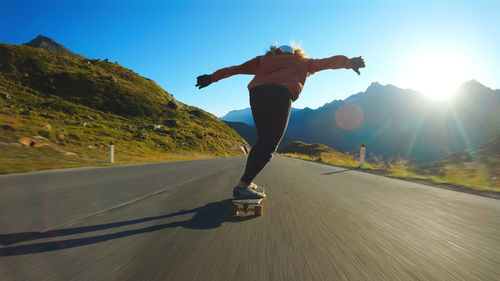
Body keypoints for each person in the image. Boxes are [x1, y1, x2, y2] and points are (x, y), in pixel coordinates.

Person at [196, 44, 365, 199]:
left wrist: (212, 78)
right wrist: (349, 62)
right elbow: (328, 62)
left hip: (257, 93)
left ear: (276, 51)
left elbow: (236, 69)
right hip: (280, 94)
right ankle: (242, 186)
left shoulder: (264, 60)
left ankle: (246, 182)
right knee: (270, 145)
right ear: (295, 52)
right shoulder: (303, 61)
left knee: (262, 141)